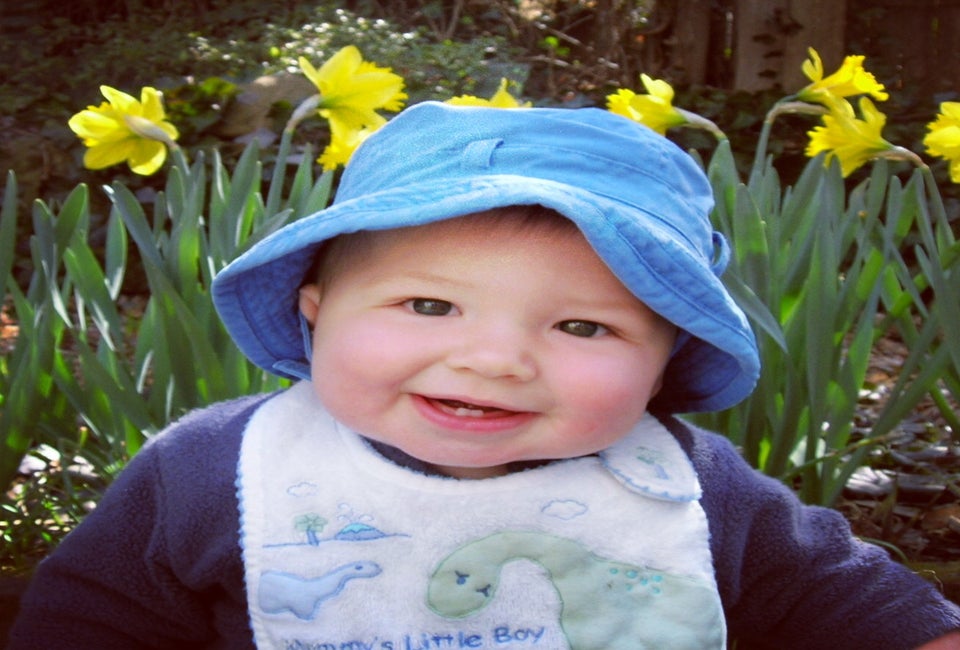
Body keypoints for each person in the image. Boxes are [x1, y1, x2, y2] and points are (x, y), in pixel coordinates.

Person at [9, 102, 960, 650]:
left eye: (582, 325)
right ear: (315, 308)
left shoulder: (685, 485)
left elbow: (863, 609)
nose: (495, 359)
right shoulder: (215, 470)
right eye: (429, 306)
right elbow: (86, 623)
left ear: (666, 357)